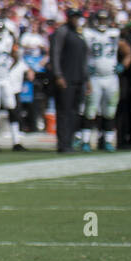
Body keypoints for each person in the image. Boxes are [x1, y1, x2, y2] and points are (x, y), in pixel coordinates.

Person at [80, 10, 122, 152]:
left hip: (111, 76)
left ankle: (107, 141)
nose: (102, 22)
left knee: (110, 110)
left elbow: (127, 50)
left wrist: (124, 64)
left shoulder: (115, 33)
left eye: (105, 19)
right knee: (91, 110)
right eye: (100, 19)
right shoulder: (88, 33)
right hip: (95, 77)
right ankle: (85, 141)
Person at [50, 10, 89, 153]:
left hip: (78, 78)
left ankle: (71, 141)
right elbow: (55, 53)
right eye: (74, 17)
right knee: (64, 111)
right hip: (66, 78)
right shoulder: (62, 32)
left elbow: (84, 58)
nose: (76, 20)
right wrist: (58, 75)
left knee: (74, 111)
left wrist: (86, 78)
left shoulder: (79, 33)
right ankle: (63, 143)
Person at [0, 19, 25, 151]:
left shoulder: (9, 39)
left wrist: (8, 69)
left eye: (1, 29)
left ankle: (16, 141)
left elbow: (15, 55)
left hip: (5, 78)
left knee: (12, 107)